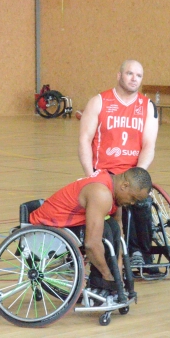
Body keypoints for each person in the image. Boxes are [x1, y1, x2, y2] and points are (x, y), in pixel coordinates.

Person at [78, 60, 159, 269]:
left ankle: (139, 252)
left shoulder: (147, 106)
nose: (134, 79)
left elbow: (149, 144)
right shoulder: (99, 102)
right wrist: (90, 176)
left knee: (142, 202)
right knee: (106, 207)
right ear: (119, 75)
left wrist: (139, 174)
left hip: (131, 173)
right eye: (130, 74)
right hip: (104, 173)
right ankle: (101, 251)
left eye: (139, 75)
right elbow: (84, 140)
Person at [29, 167, 152, 289]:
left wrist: (118, 263)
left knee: (112, 227)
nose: (132, 203)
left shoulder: (114, 188)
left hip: (65, 222)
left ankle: (103, 284)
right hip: (48, 226)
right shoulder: (101, 193)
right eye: (133, 198)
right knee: (103, 233)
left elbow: (118, 226)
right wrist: (107, 275)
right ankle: (100, 282)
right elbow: (91, 244)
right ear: (125, 186)